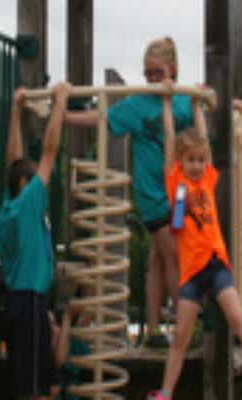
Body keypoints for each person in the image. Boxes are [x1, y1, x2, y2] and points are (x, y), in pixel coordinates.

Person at [64, 37, 193, 347]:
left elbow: (206, 110)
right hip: (153, 197)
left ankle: (152, 330)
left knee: (159, 261)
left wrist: (232, 104)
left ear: (171, 70)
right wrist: (66, 117)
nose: (149, 80)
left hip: (177, 195)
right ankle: (184, 329)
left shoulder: (183, 101)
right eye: (146, 73)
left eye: (156, 73)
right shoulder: (137, 103)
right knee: (173, 256)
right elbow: (103, 119)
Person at [149, 96, 242, 400]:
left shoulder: (207, 179)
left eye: (200, 159)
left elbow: (204, 136)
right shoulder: (175, 181)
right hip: (191, 272)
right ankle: (166, 393)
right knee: (180, 337)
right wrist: (168, 102)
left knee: (238, 320)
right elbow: (170, 138)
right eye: (190, 160)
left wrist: (196, 105)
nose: (196, 165)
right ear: (181, 161)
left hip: (215, 263)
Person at [0, 82, 69, 400]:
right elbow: (50, 152)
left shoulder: (10, 204)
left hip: (26, 302)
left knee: (46, 384)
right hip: (28, 302)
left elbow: (14, 161)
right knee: (34, 390)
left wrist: (16, 111)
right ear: (27, 184)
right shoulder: (28, 203)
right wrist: (61, 102)